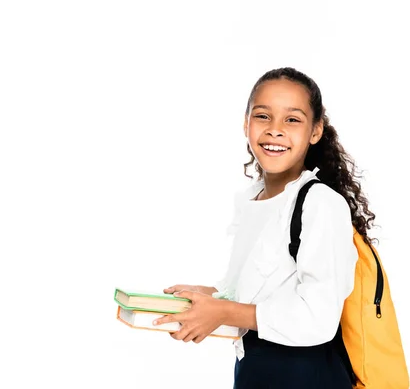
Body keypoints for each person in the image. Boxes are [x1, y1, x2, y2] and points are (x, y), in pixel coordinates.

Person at [153, 67, 376, 388]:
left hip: (304, 377)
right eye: (263, 116)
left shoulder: (320, 204)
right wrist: (211, 299)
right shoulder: (252, 198)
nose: (275, 130)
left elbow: (319, 318)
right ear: (246, 124)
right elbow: (264, 291)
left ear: (315, 131)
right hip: (254, 373)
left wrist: (224, 311)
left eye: (292, 119)